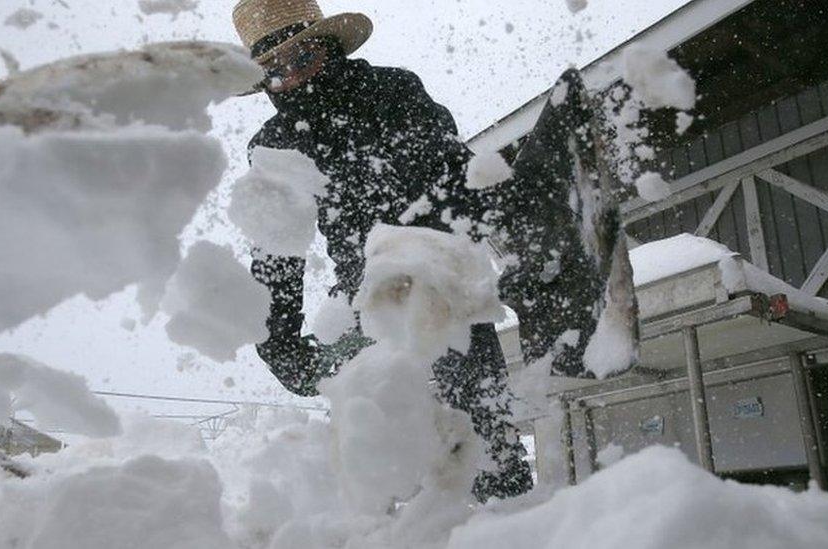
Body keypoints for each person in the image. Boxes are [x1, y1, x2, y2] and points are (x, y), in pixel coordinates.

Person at [231, 0, 629, 501]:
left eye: (301, 58)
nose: (291, 79)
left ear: (329, 48)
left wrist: (504, 208)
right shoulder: (275, 143)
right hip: (365, 308)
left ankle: (501, 520)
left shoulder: (394, 92)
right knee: (385, 470)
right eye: (275, 73)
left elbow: (448, 179)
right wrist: (279, 344)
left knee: (479, 450)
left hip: (445, 294)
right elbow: (276, 253)